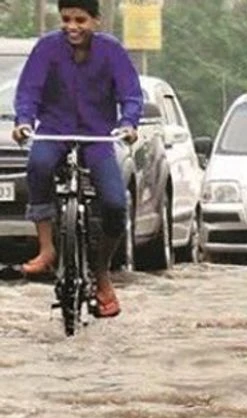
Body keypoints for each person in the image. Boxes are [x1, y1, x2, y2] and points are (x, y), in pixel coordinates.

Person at [11, 0, 142, 318]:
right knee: (38, 164)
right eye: (66, 19)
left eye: (80, 20)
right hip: (54, 131)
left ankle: (101, 273)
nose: (72, 26)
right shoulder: (46, 48)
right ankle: (46, 249)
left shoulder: (112, 51)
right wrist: (23, 121)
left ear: (95, 21)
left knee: (114, 203)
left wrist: (128, 124)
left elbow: (131, 93)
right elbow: (28, 91)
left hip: (97, 137)